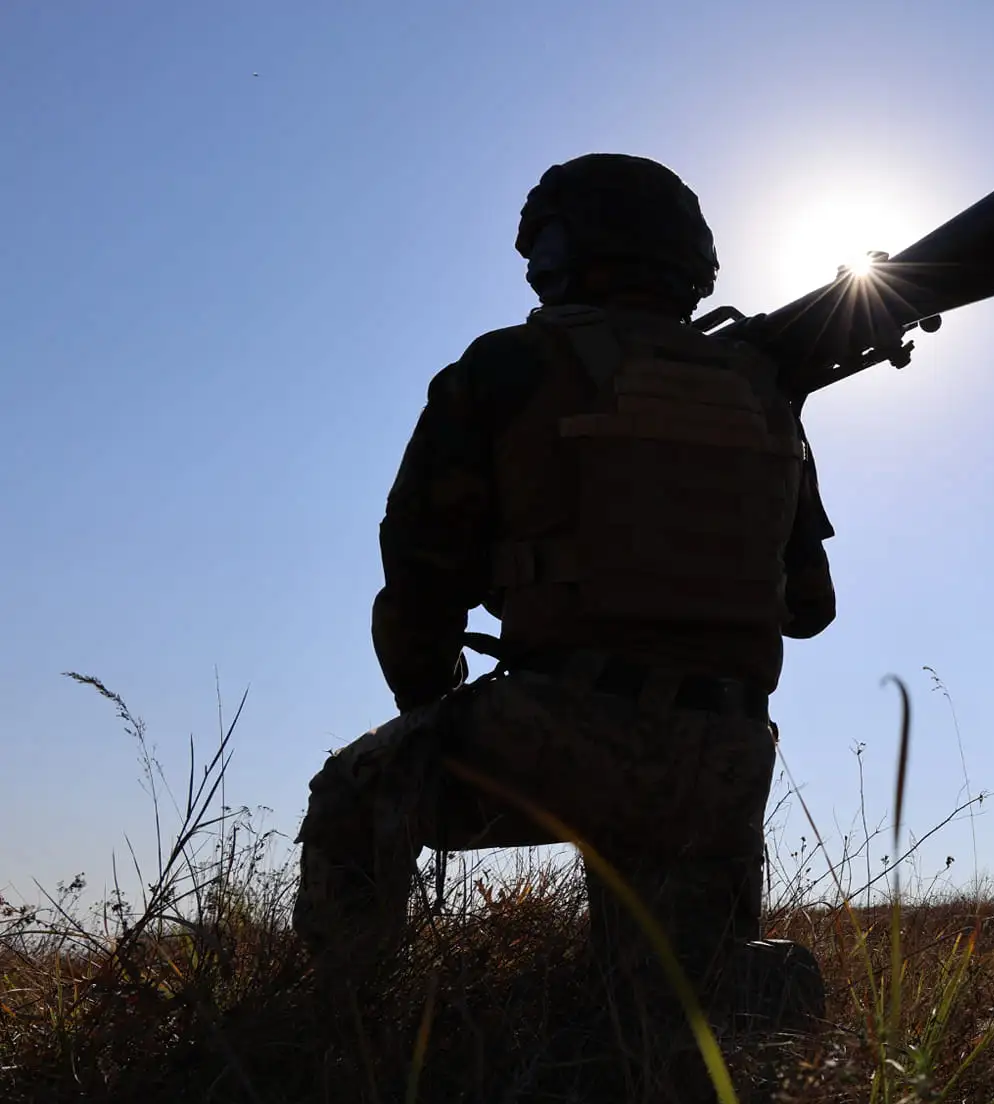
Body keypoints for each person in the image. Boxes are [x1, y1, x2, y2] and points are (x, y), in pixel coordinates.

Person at [293, 153, 831, 1032]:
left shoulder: (505, 367)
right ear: (691, 263)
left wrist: (435, 709)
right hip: (726, 759)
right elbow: (811, 609)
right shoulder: (768, 397)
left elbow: (421, 581)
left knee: (351, 794)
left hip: (559, 729)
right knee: (673, 1018)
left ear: (561, 251)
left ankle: (343, 1038)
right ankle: (776, 1018)